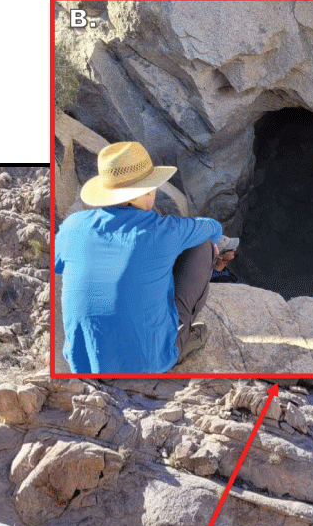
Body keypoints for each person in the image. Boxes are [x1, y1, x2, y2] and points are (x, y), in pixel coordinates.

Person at [55, 141, 235, 373]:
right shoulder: (164, 230)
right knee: (203, 246)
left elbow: (59, 266)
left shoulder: (72, 226)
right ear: (147, 190)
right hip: (147, 363)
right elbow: (212, 227)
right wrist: (217, 246)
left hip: (83, 362)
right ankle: (182, 338)